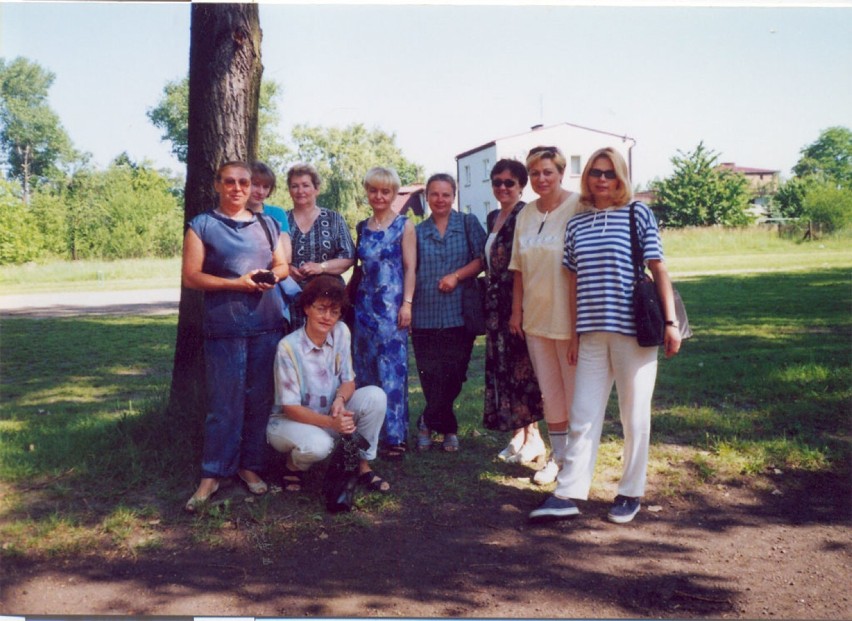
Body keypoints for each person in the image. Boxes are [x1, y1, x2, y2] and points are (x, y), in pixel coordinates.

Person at [529, 147, 681, 524]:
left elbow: (658, 269)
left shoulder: (637, 213)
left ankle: (630, 492)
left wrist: (671, 322)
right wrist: (576, 332)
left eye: (609, 173)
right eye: (595, 172)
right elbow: (573, 281)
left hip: (634, 332)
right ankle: (568, 492)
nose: (601, 179)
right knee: (583, 414)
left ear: (621, 177)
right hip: (592, 332)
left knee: (634, 415)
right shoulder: (577, 223)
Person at [182, 160, 290, 512]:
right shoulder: (202, 225)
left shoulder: (268, 223)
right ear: (218, 184)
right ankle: (212, 474)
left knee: (259, 402)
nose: (238, 188)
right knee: (223, 404)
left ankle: (250, 467)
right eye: (230, 182)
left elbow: (283, 265)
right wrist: (235, 284)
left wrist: (268, 275)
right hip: (224, 327)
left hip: (267, 324)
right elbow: (192, 277)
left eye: (244, 182)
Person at [266, 275, 390, 495]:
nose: (327, 317)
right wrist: (332, 423)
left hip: (329, 417)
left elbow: (348, 380)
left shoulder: (341, 331)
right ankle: (293, 465)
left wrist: (340, 400)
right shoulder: (287, 347)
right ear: (307, 308)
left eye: (334, 312)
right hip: (289, 421)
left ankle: (361, 465)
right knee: (319, 446)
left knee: (376, 396)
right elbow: (290, 407)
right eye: (321, 309)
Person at [508, 146, 580, 485]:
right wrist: (516, 312)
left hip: (571, 319)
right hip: (535, 319)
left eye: (547, 172)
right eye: (535, 173)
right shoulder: (526, 214)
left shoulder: (578, 206)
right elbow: (518, 268)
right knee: (550, 394)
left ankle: (578, 462)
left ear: (561, 173)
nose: (541, 179)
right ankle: (558, 456)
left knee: (575, 392)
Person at [411, 173, 486, 453]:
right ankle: (448, 428)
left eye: (445, 194)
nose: (440, 199)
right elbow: (409, 270)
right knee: (430, 375)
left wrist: (456, 275)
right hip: (424, 314)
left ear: (454, 196)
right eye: (434, 194)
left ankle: (426, 420)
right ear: (427, 197)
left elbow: (482, 260)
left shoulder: (467, 224)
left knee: (454, 374)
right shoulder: (417, 232)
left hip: (459, 313)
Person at [482, 159, 546, 464]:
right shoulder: (493, 216)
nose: (502, 188)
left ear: (521, 186)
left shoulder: (526, 214)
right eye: (497, 182)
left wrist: (518, 310)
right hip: (494, 304)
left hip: (517, 303)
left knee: (523, 372)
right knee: (504, 371)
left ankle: (534, 438)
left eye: (509, 182)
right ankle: (517, 435)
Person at [351, 167, 416, 461]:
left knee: (392, 371)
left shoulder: (405, 225)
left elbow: (410, 268)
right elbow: (358, 268)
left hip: (392, 309)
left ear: (393, 194)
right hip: (364, 308)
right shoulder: (362, 226)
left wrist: (407, 304)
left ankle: (396, 436)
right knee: (366, 371)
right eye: (374, 190)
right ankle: (367, 433)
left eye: (385, 191)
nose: (379, 196)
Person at [286, 163, 355, 329]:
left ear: (316, 189)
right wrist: (286, 268)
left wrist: (321, 267)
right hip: (292, 299)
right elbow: (271, 255)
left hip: (328, 301)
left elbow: (348, 257)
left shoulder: (333, 218)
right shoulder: (282, 219)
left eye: (305, 185)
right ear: (289, 190)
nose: (300, 191)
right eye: (294, 186)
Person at [248, 161, 294, 328]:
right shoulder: (231, 214)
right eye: (255, 185)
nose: (260, 191)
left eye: (265, 187)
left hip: (271, 283)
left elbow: (286, 255)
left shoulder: (276, 213)